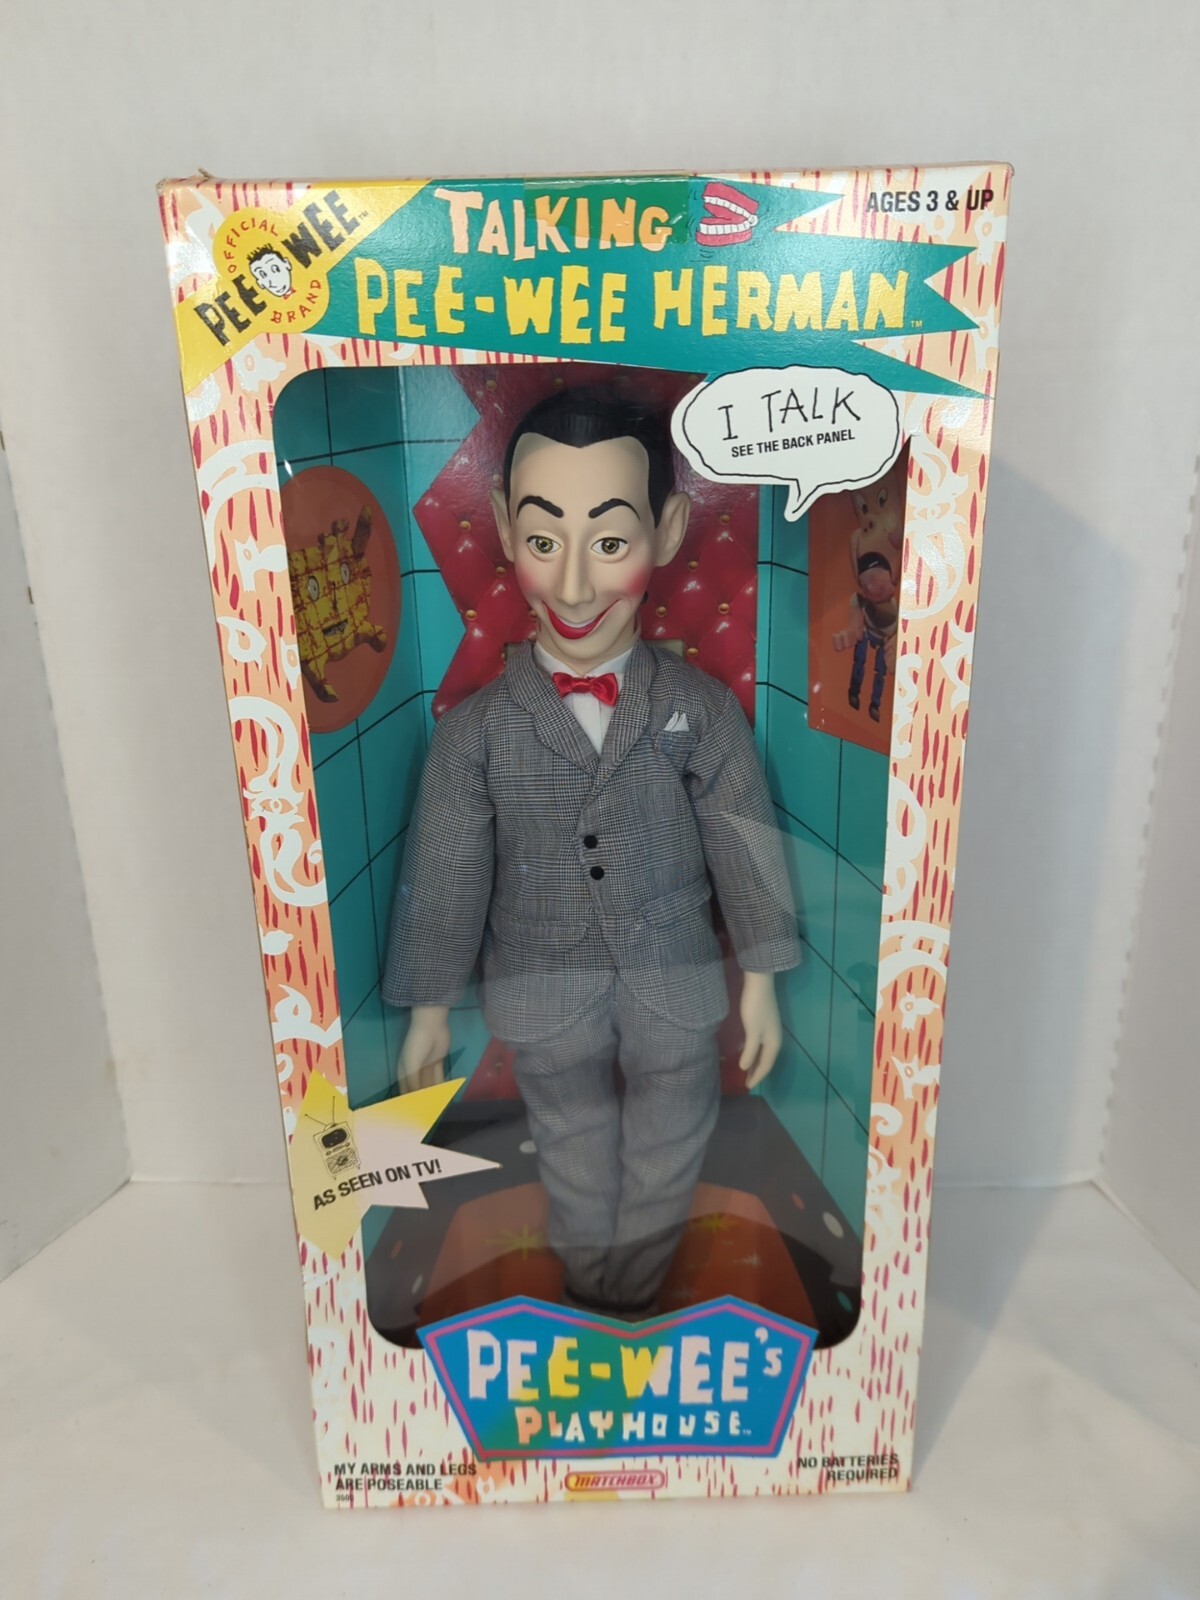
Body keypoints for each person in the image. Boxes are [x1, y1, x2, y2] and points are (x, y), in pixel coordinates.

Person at [383, 387, 800, 1319]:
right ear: (502, 527)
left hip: (674, 977)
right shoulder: (477, 735)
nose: (573, 585)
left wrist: (763, 977)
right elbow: (447, 877)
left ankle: (635, 1289)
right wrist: (428, 1010)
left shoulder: (698, 710)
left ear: (669, 530)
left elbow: (744, 840)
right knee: (567, 1135)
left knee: (673, 1131)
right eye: (543, 539)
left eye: (610, 542)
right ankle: (586, 1283)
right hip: (540, 982)